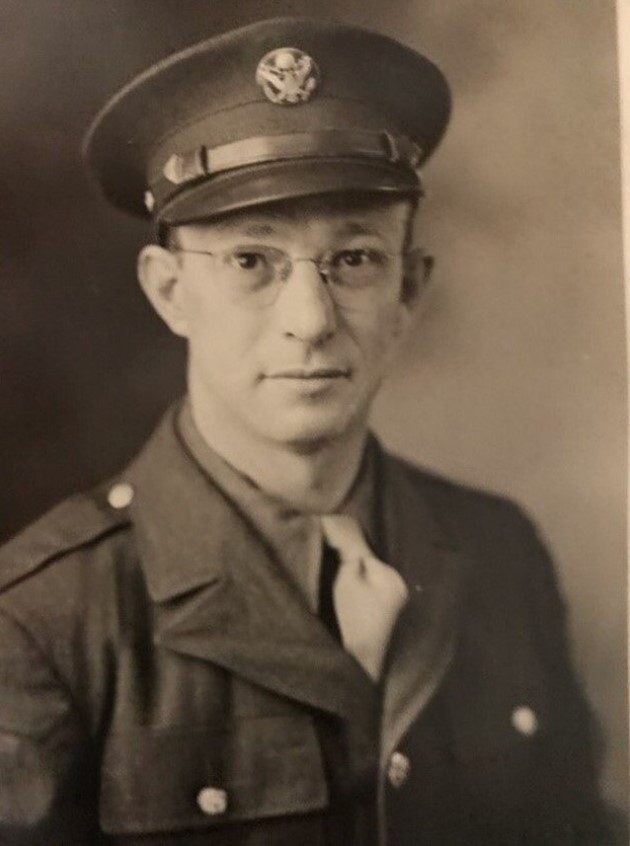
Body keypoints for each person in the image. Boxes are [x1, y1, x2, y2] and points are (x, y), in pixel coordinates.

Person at [0, 16, 611, 846]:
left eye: (353, 260)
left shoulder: (500, 556)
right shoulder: (45, 621)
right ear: (170, 291)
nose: (311, 321)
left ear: (409, 290)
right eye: (253, 262)